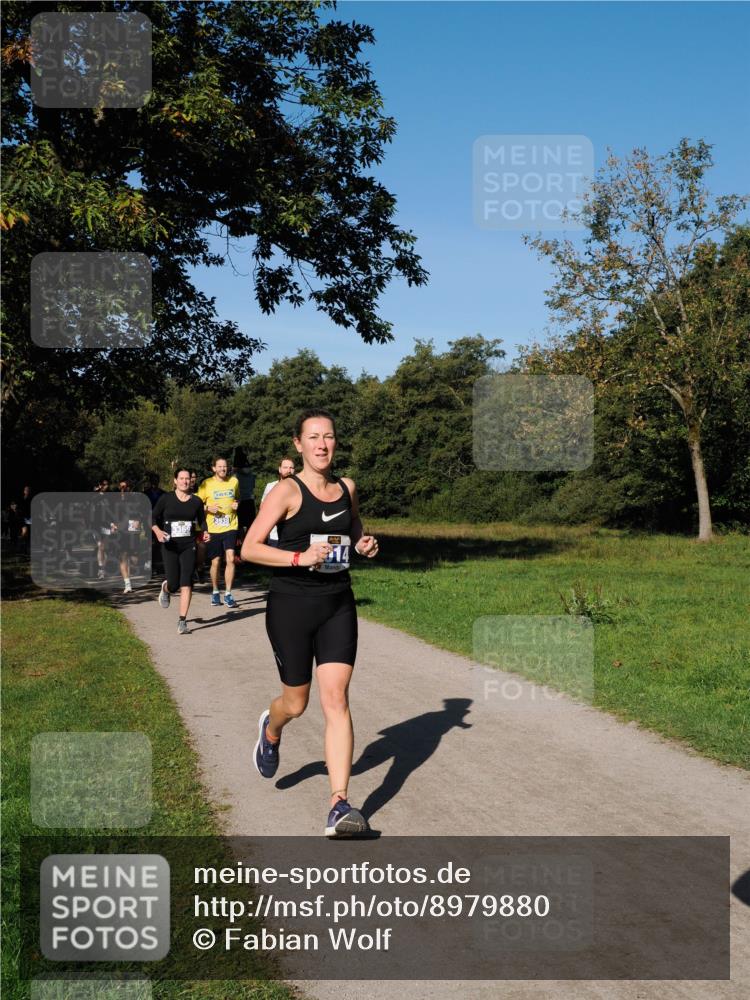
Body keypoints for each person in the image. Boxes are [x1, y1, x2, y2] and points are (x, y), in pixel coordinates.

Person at [241, 409, 379, 838]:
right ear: (298, 444)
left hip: (337, 603)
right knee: (296, 704)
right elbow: (250, 547)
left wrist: (362, 541)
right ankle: (272, 727)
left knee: (335, 699)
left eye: (330, 437)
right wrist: (299, 558)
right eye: (313, 437)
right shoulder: (286, 492)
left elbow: (351, 523)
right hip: (291, 606)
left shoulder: (346, 487)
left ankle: (339, 804)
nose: (322, 444)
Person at [152, 468, 208, 634]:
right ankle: (166, 589)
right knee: (174, 584)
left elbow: (202, 522)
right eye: (181, 478)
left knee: (187, 581)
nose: (185, 481)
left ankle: (182, 621)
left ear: (191, 481)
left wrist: (205, 532)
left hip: (188, 545)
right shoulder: (166, 499)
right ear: (175, 481)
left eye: (187, 478)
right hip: (170, 545)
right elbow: (152, 517)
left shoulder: (196, 501)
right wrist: (157, 531)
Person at [196, 457, 240, 608]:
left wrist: (236, 504)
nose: (223, 469)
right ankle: (215, 591)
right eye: (219, 467)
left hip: (231, 525)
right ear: (213, 468)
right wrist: (207, 508)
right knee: (216, 561)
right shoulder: (206, 484)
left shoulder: (234, 481)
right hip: (213, 528)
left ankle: (228, 593)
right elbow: (196, 504)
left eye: (225, 466)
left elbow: (238, 499)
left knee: (231, 558)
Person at [113, 479, 142, 593]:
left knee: (134, 558)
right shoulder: (115, 500)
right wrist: (113, 524)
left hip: (133, 530)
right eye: (121, 487)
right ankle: (127, 584)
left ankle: (132, 575)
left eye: (125, 487)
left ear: (129, 488)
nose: (123, 489)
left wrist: (138, 521)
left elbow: (142, 513)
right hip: (120, 531)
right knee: (123, 556)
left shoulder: (135, 500)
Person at [259, 456, 296, 546]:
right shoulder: (270, 486)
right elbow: (262, 509)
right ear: (279, 469)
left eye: (291, 468)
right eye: (285, 467)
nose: (288, 470)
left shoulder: (299, 488)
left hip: (293, 536)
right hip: (274, 536)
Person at [232, 449, 257, 545]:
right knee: (250, 525)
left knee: (239, 525)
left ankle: (241, 544)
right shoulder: (251, 475)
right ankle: (249, 544)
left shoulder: (235, 476)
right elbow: (253, 486)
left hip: (239, 501)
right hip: (250, 500)